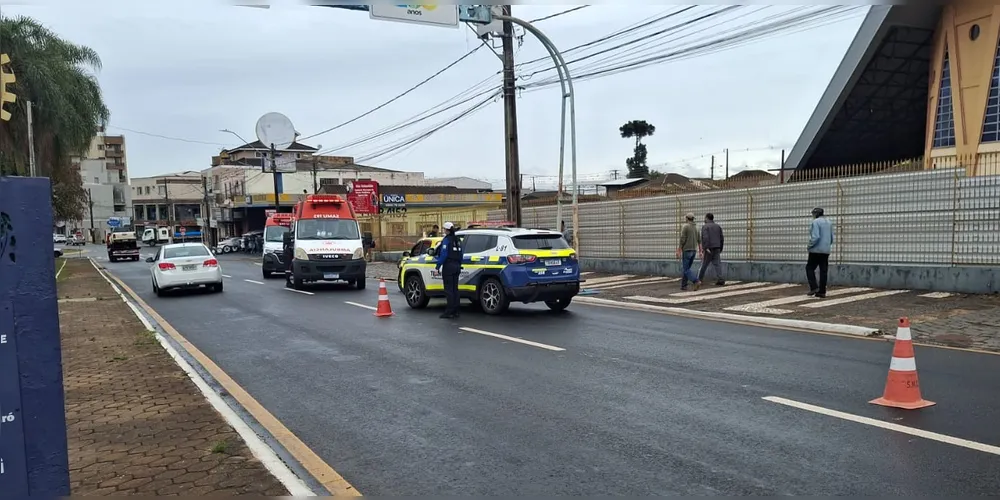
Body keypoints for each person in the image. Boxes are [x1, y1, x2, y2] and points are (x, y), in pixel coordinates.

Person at [435, 221, 463, 319]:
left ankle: (449, 311)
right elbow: (461, 254)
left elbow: (444, 254)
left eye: (444, 229)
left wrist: (437, 266)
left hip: (449, 267)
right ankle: (456, 311)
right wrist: (459, 264)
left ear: (446, 230)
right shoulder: (457, 240)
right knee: (455, 289)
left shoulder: (446, 240)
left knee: (449, 290)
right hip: (457, 266)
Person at [806, 207, 834, 298]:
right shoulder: (829, 222)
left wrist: (809, 246)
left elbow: (815, 237)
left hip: (815, 250)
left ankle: (813, 287)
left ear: (816, 214)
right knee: (823, 271)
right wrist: (827, 246)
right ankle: (822, 291)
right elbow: (831, 237)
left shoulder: (816, 222)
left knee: (809, 268)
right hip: (826, 250)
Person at [676, 212, 702, 291]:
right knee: (687, 269)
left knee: (686, 269)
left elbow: (682, 239)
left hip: (687, 250)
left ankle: (696, 281)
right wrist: (700, 251)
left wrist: (679, 249)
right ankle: (683, 285)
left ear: (687, 218)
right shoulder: (697, 227)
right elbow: (699, 240)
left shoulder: (685, 226)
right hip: (694, 250)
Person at [698, 213, 725, 286]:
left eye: (704, 218)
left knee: (704, 264)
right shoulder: (718, 227)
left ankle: (699, 279)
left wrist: (705, 248)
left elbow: (705, 238)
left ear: (707, 218)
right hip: (717, 247)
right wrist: (720, 248)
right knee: (717, 264)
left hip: (709, 248)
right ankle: (721, 279)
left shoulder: (705, 227)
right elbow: (721, 238)